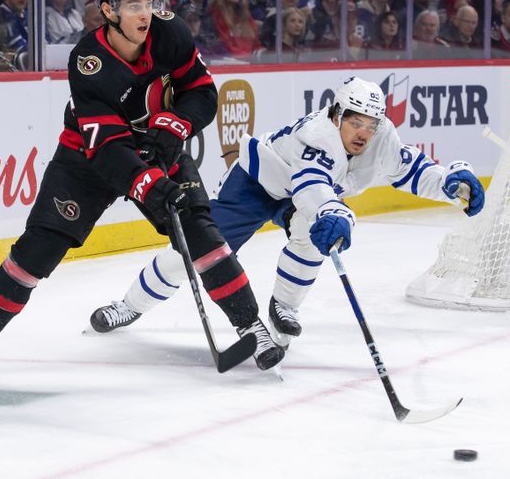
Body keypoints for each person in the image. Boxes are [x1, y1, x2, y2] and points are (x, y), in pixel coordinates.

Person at [0, 0, 285, 378]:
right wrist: (149, 186)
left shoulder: (170, 32)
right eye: (132, 4)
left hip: (158, 147)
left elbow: (200, 91)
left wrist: (175, 124)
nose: (145, 12)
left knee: (201, 232)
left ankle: (251, 325)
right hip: (87, 160)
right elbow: (106, 146)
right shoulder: (89, 61)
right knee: (41, 246)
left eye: (148, 0)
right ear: (107, 10)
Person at [89, 77, 485, 349]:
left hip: (305, 196)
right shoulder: (318, 136)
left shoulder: (380, 138)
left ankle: (285, 306)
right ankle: (129, 305)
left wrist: (450, 183)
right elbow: (312, 185)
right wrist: (336, 211)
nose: (364, 133)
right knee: (194, 254)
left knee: (315, 233)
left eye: (371, 124)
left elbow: (409, 168)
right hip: (255, 185)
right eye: (356, 122)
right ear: (337, 115)